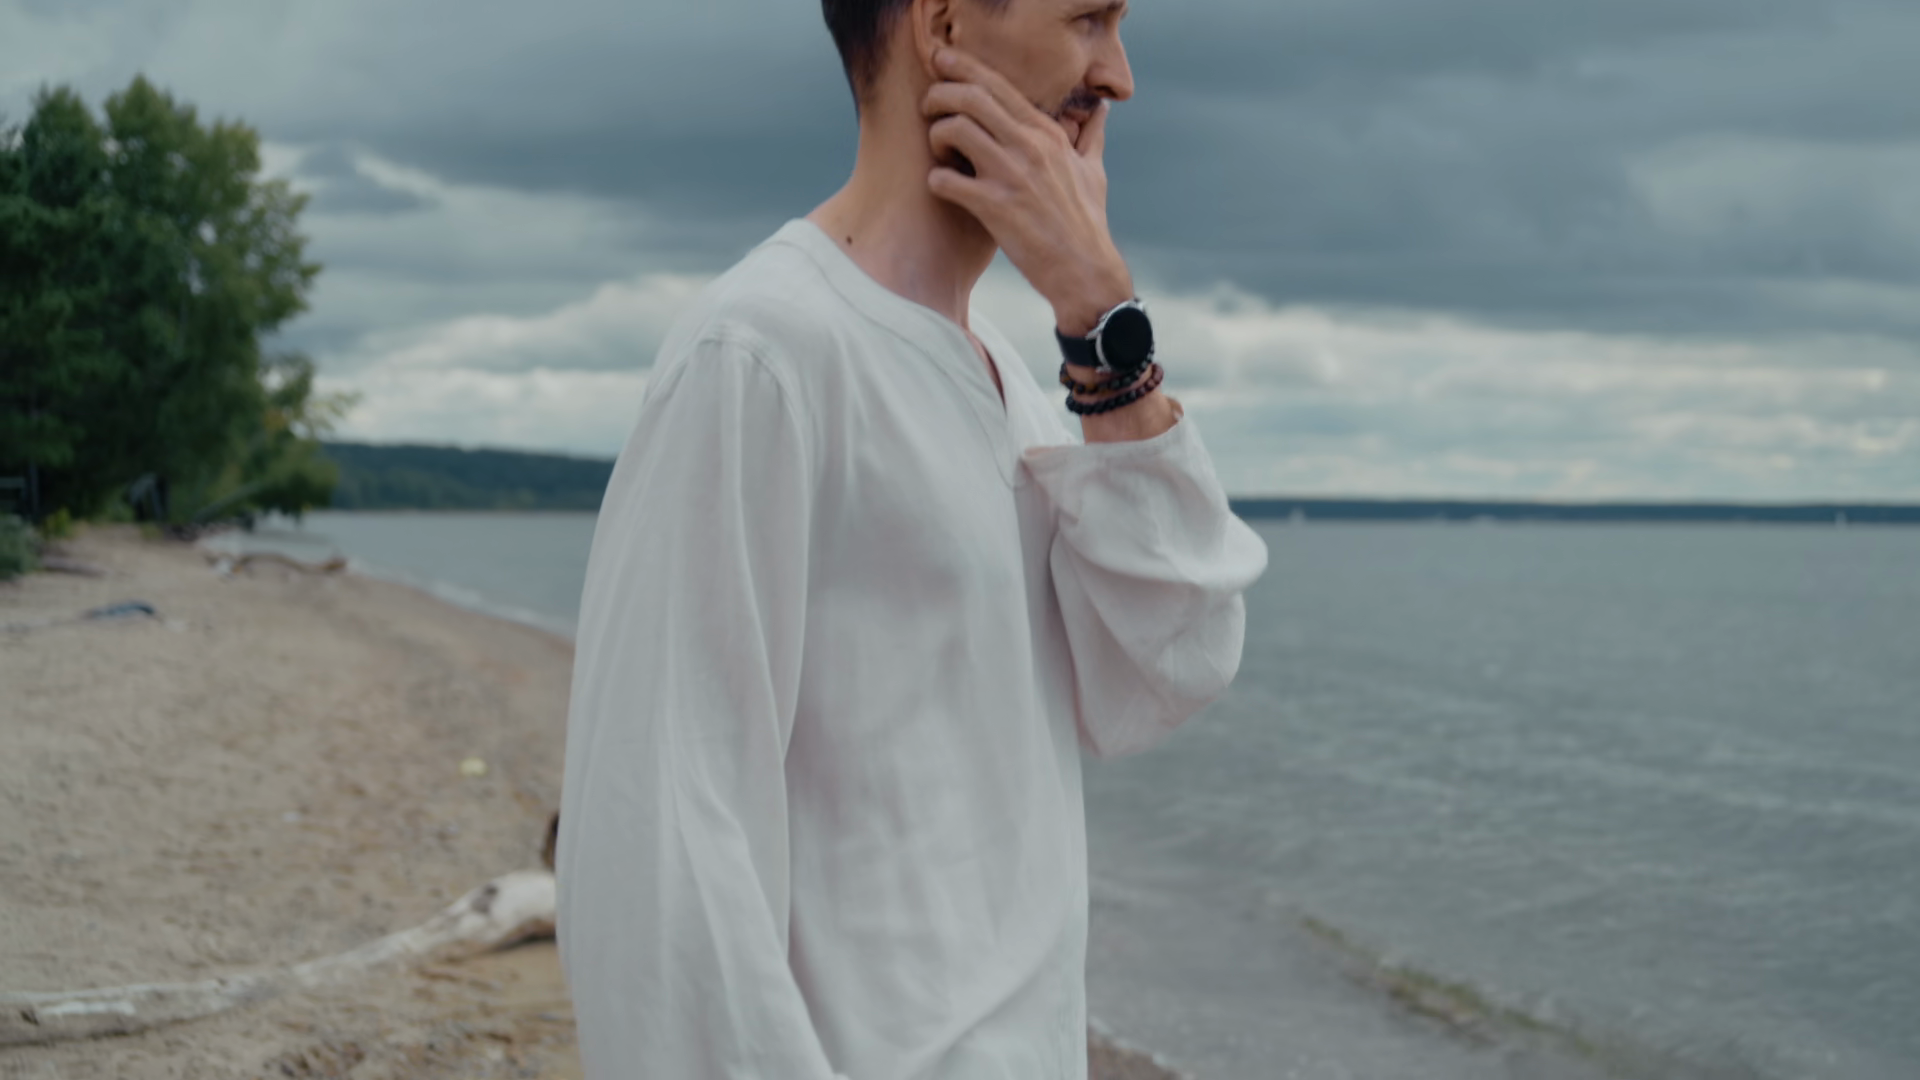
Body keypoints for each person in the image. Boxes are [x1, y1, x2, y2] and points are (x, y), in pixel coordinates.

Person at [554, 0, 1270, 1076]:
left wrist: (1099, 318)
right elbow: (661, 849)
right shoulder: (759, 353)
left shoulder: (1014, 380)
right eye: (1088, 18)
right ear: (942, 27)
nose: (1120, 77)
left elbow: (1169, 666)